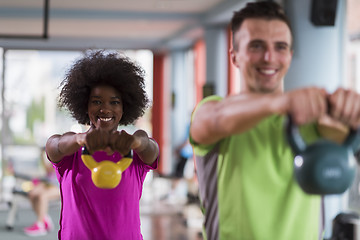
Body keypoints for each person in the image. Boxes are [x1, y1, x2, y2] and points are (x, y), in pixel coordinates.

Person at [189, 1, 360, 240]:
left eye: (280, 47)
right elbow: (215, 120)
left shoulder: (314, 120)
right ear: (235, 56)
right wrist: (279, 103)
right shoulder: (213, 109)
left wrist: (351, 110)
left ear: (289, 57)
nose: (269, 57)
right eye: (256, 46)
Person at [45, 50, 159, 240]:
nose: (105, 108)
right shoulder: (72, 149)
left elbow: (151, 148)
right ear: (85, 106)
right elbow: (53, 145)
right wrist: (79, 140)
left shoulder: (134, 148)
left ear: (124, 108)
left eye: (114, 102)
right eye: (96, 102)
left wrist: (136, 142)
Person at [23, 147, 60, 237]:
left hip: (59, 187)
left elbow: (52, 169)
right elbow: (47, 169)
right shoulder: (52, 160)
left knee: (42, 196)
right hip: (48, 184)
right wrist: (42, 155)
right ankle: (44, 219)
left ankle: (40, 225)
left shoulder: (60, 159)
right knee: (32, 193)